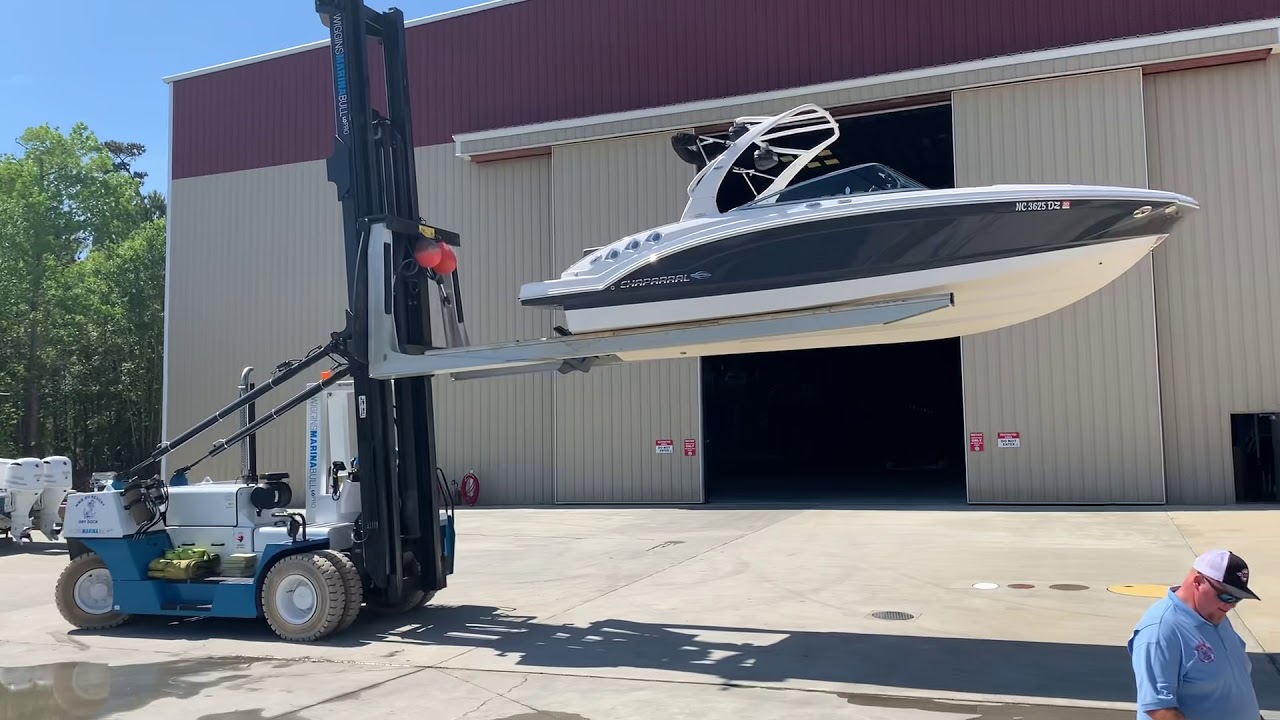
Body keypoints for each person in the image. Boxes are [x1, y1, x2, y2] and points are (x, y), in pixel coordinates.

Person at [1127, 549, 1263, 719]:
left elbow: (1237, 688)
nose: (1232, 605)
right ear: (1198, 581)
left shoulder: (1216, 615)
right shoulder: (1161, 630)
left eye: (1238, 598)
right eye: (1227, 596)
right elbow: (1159, 710)